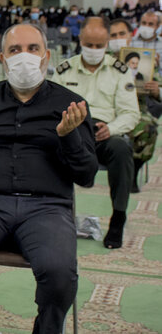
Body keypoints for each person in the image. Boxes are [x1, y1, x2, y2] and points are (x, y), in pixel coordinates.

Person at [0, 23, 97, 334]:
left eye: (33, 49)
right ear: (2, 59)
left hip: (47, 209)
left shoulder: (71, 104)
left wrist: (69, 137)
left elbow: (86, 176)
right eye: (15, 50)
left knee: (59, 272)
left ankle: (45, 328)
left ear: (46, 56)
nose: (24, 57)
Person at [53, 17, 140, 249]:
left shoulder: (119, 71)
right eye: (89, 45)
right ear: (80, 40)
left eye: (98, 45)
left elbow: (131, 113)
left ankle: (118, 218)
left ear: (107, 42)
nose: (93, 50)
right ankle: (51, 216)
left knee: (122, 149)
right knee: (45, 146)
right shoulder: (65, 70)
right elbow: (51, 107)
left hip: (104, 133)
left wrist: (111, 129)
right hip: (73, 132)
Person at [109, 18, 161, 193]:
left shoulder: (144, 60)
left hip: (137, 110)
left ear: (131, 35)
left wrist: (156, 90)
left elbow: (158, 87)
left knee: (149, 129)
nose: (118, 38)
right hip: (107, 110)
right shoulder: (103, 60)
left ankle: (133, 171)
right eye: (113, 35)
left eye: (122, 34)